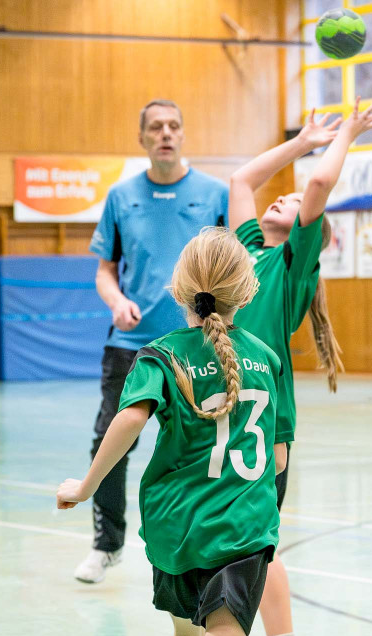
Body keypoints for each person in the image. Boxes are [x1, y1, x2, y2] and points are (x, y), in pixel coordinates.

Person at [56, 228, 282, 636]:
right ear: (247, 290)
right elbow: (277, 456)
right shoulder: (266, 359)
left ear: (179, 290)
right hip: (244, 530)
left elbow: (130, 419)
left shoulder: (160, 354)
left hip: (178, 530)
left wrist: (86, 487)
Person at [227, 99, 372, 636]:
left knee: (255, 545)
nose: (283, 197)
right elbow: (241, 181)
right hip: (223, 415)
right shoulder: (246, 251)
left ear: (309, 232)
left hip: (265, 425)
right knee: (231, 542)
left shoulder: (292, 265)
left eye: (291, 202)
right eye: (283, 195)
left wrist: (345, 134)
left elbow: (319, 184)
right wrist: (298, 143)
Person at [76, 99, 230, 584]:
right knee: (109, 439)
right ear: (142, 138)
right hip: (132, 344)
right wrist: (116, 300)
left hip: (197, 344)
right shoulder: (121, 197)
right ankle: (107, 544)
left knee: (201, 444)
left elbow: (234, 263)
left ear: (183, 134)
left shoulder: (215, 194)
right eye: (156, 127)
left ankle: (205, 541)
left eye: (173, 126)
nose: (165, 133)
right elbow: (104, 271)